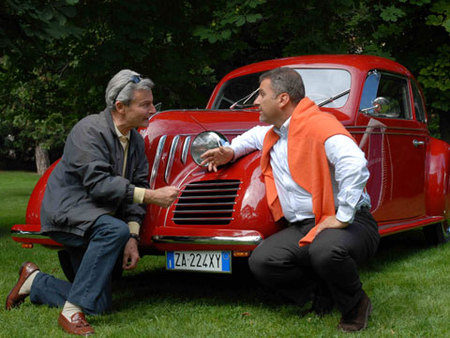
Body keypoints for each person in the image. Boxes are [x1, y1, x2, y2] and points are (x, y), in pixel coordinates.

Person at [200, 67, 380, 332]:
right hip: (306, 225)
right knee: (263, 261)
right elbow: (250, 138)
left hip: (351, 222)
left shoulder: (321, 125)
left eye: (262, 94)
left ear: (283, 99)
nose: (256, 101)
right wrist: (229, 151)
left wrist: (343, 216)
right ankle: (321, 294)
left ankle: (356, 305)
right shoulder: (273, 132)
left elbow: (354, 164)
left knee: (325, 252)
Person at [5, 69, 179, 335]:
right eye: (145, 104)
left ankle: (35, 281)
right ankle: (72, 311)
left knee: (99, 305)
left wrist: (132, 237)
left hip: (96, 221)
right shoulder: (88, 130)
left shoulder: (135, 141)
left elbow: (138, 186)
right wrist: (153, 196)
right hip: (68, 215)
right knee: (114, 230)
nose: (152, 110)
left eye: (152, 103)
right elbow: (99, 185)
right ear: (120, 106)